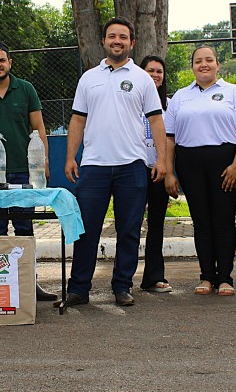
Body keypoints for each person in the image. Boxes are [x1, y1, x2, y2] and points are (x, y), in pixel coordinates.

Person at [59, 17, 166, 308]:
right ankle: (79, 288)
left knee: (129, 230)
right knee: (86, 230)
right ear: (104, 41)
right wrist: (71, 156)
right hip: (93, 166)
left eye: (123, 37)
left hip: (132, 165)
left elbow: (156, 120)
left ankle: (122, 286)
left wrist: (162, 159)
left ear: (131, 43)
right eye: (111, 36)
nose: (117, 41)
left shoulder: (143, 79)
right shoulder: (88, 78)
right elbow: (78, 119)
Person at [0, 41, 56, 301]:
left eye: (2, 60)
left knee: (25, 230)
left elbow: (39, 128)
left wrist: (44, 164)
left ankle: (29, 286)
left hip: (25, 174)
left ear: (10, 63)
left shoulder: (25, 89)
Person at [166, 45, 236, 297]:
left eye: (209, 60)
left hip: (225, 162)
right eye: (198, 61)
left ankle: (225, 277)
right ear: (192, 66)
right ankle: (206, 276)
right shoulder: (181, 97)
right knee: (201, 221)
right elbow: (170, 138)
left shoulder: (234, 93)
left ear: (218, 64)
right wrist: (170, 172)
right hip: (189, 163)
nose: (203, 64)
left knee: (224, 219)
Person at [139, 55, 173, 293]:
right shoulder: (130, 102)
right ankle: (122, 280)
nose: (155, 75)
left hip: (159, 170)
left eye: (159, 71)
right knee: (129, 225)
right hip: (133, 170)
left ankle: (153, 277)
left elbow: (173, 141)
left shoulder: (169, 105)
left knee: (157, 225)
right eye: (150, 70)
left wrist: (169, 170)